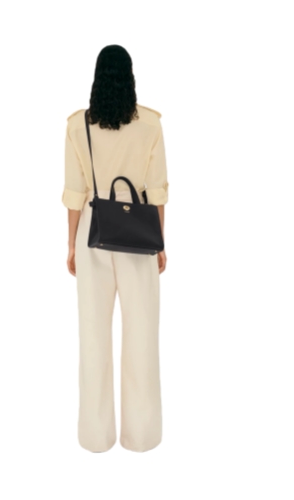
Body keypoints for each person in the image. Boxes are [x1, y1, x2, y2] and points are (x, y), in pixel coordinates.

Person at [61, 45, 169, 453]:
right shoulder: (150, 125)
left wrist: (71, 244)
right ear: (130, 76)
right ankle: (142, 437)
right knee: (142, 335)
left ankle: (95, 436)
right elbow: (157, 190)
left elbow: (75, 192)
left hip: (93, 227)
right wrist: (160, 242)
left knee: (92, 335)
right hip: (138, 230)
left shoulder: (78, 125)